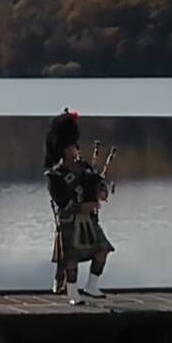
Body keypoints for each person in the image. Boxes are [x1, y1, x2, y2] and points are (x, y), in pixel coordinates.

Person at [43, 109, 114, 300]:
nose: (75, 149)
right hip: (69, 221)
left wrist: (101, 192)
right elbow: (61, 202)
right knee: (71, 259)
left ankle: (91, 287)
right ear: (64, 149)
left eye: (75, 145)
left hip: (89, 220)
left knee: (103, 249)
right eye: (72, 146)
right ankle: (73, 294)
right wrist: (81, 207)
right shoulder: (55, 175)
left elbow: (97, 184)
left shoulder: (85, 168)